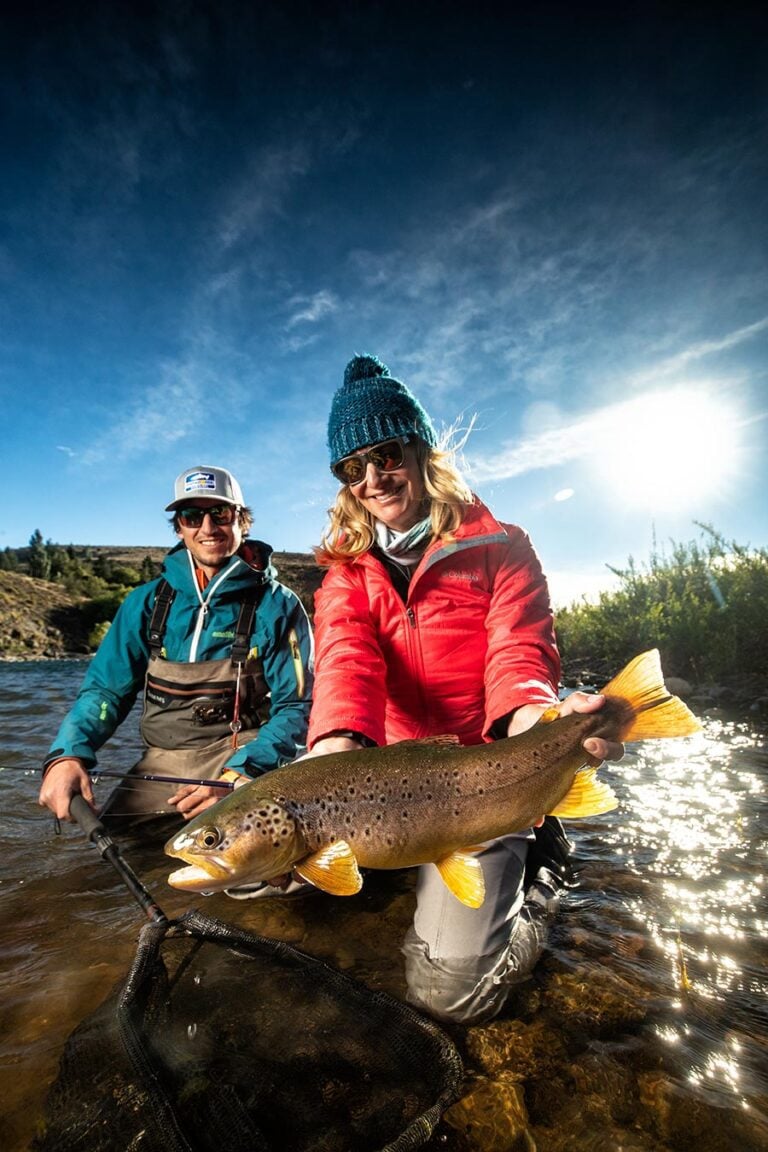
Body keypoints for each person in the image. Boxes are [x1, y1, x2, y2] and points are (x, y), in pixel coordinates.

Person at [302, 353, 622, 1026]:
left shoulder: (504, 546)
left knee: (447, 997)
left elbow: (519, 655)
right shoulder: (343, 574)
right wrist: (328, 754)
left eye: (385, 454)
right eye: (351, 468)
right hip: (381, 787)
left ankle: (541, 880)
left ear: (419, 450)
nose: (372, 479)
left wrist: (541, 723)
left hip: (483, 775)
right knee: (256, 881)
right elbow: (345, 663)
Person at [39, 465, 313, 824]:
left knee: (257, 868)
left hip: (246, 759)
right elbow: (105, 693)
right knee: (115, 857)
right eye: (191, 515)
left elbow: (297, 707)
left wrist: (241, 773)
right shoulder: (144, 603)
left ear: (242, 521)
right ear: (179, 526)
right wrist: (68, 756)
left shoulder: (279, 605)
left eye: (220, 513)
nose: (208, 527)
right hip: (163, 761)